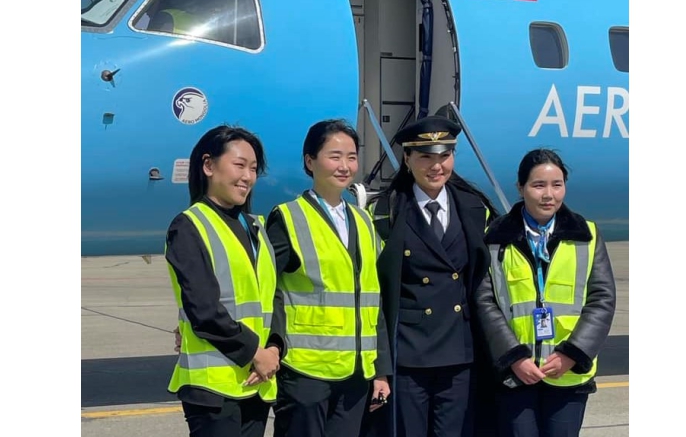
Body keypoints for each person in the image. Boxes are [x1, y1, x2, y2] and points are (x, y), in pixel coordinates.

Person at [362, 115, 500, 437]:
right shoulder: (384, 212)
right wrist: (380, 364)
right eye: (425, 156)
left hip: (460, 352)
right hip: (409, 355)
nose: (437, 166)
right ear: (407, 159)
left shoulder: (475, 208)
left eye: (445, 155)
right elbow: (375, 294)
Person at [472, 148, 616, 437]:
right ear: (520, 187)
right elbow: (485, 301)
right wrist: (514, 357)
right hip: (517, 373)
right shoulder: (495, 238)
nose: (549, 195)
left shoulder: (586, 235)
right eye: (538, 185)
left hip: (567, 372)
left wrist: (573, 353)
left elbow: (602, 300)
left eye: (557, 185)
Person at [265, 119, 392, 437]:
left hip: (355, 374)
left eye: (352, 157)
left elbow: (373, 300)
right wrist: (271, 346)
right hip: (305, 372)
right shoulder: (288, 217)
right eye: (334, 156)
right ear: (310, 161)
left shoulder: (364, 221)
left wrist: (380, 370)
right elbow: (266, 290)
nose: (345, 166)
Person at [165, 125, 283, 437]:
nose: (247, 177)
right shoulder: (189, 226)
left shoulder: (256, 226)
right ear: (208, 165)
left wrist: (274, 349)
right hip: (213, 389)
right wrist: (256, 353)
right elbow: (204, 309)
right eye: (239, 165)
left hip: (256, 383)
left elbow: (273, 297)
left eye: (254, 169)